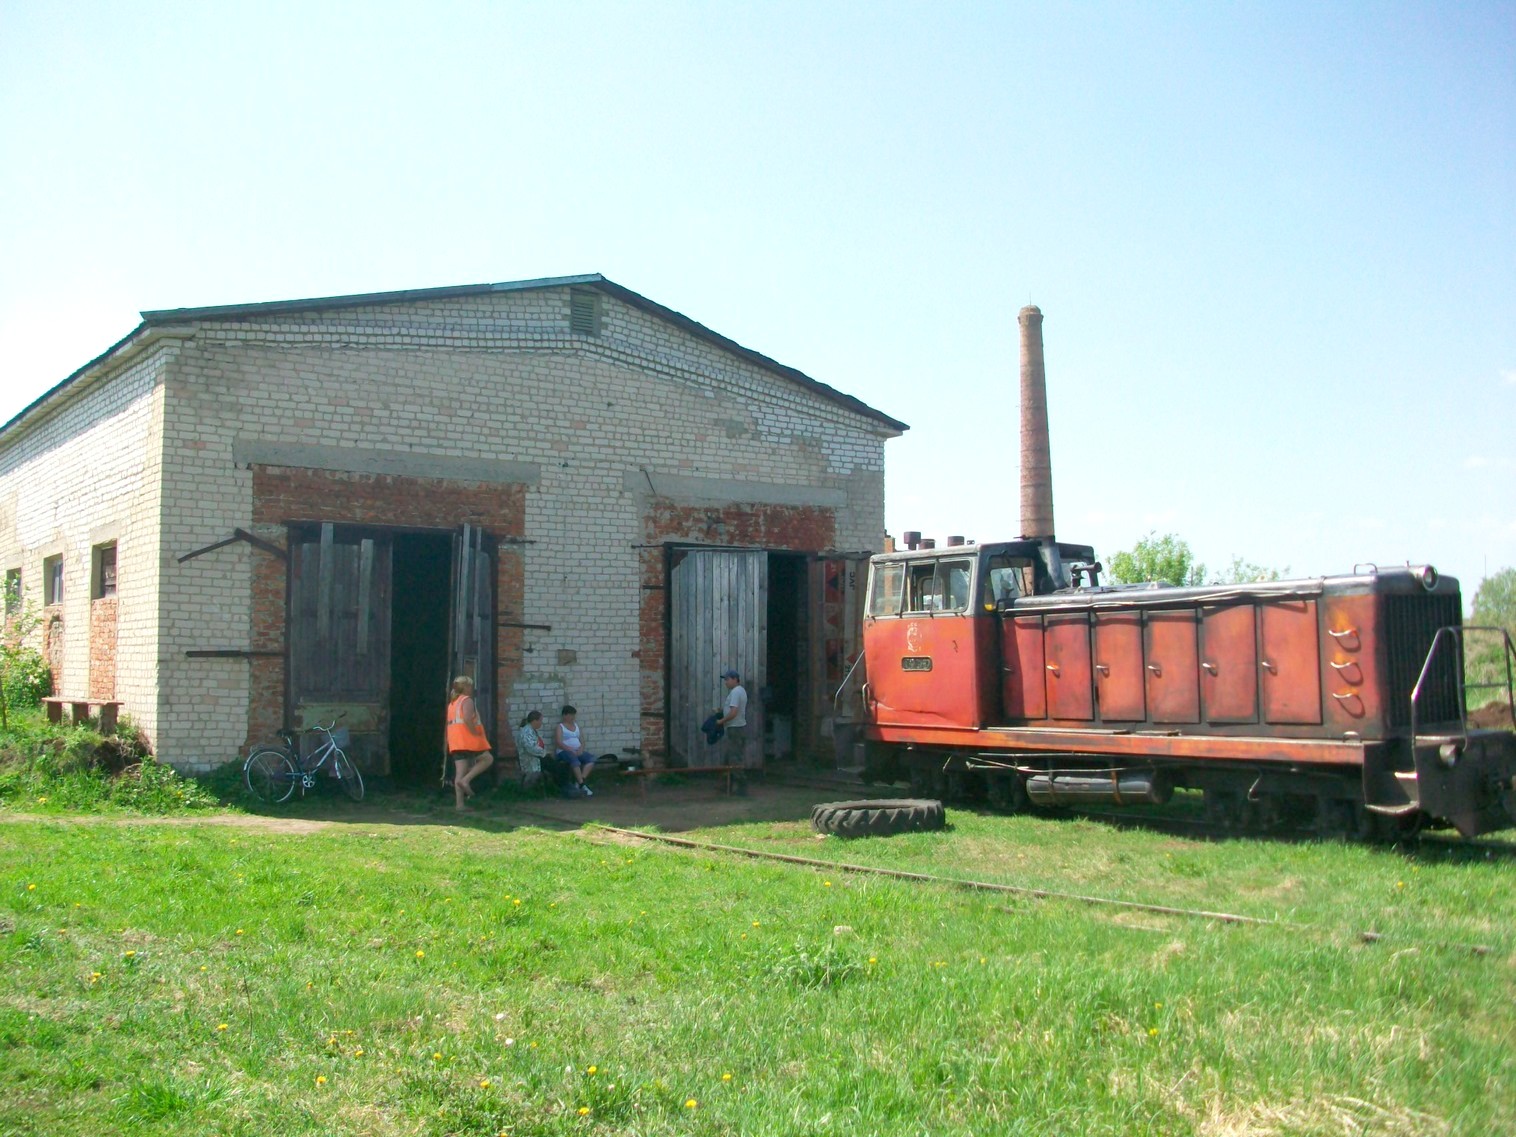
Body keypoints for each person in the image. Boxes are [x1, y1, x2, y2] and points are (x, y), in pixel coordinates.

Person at [446, 676, 494, 811]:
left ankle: (459, 805)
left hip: (456, 741)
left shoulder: (452, 703)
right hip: (468, 739)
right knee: (487, 759)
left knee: (459, 772)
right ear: (465, 687)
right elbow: (467, 719)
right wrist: (474, 732)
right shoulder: (466, 700)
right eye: (470, 686)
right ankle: (466, 780)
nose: (472, 688)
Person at [715, 669, 749, 789]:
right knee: (728, 757)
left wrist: (721, 721)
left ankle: (742, 786)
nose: (726, 682)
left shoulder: (735, 692)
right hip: (736, 728)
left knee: (734, 759)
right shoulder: (740, 691)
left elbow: (734, 712)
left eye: (727, 679)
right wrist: (722, 711)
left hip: (735, 729)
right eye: (725, 680)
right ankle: (726, 785)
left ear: (735, 679)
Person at [554, 705, 596, 797]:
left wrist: (581, 749)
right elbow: (559, 742)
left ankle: (581, 780)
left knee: (591, 759)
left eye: (573, 715)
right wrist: (570, 749)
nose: (573, 717)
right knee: (574, 760)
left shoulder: (576, 726)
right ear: (565, 715)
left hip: (577, 750)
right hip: (564, 751)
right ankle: (582, 785)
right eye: (571, 715)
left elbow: (582, 741)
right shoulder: (560, 727)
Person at [514, 710, 547, 791]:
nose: (541, 723)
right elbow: (530, 748)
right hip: (530, 759)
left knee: (556, 764)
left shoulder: (531, 730)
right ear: (535, 721)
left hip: (535, 757)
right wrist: (544, 753)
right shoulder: (527, 732)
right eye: (540, 720)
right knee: (555, 766)